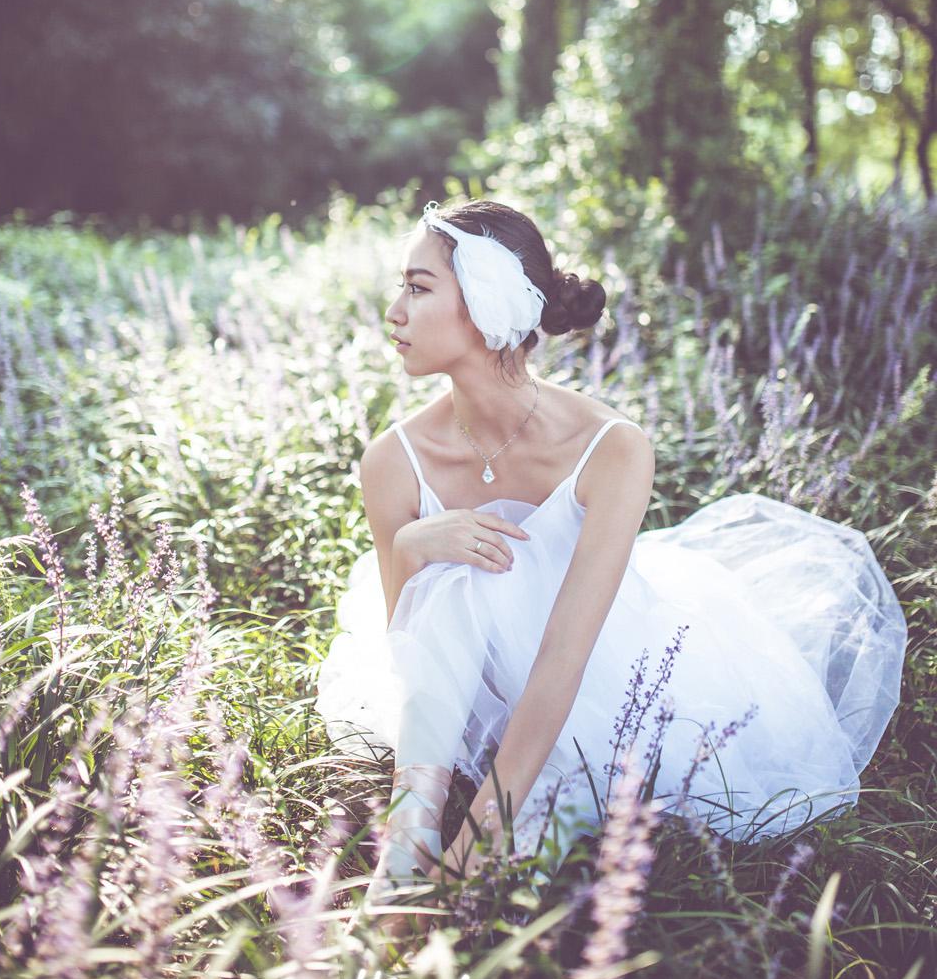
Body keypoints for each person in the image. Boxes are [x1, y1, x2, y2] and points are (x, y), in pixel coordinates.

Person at [314, 197, 908, 917]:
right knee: (459, 581)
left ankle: (485, 885)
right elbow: (407, 639)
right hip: (466, 685)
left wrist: (482, 836)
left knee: (532, 830)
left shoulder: (611, 447)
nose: (394, 312)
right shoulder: (393, 460)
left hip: (610, 678)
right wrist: (412, 545)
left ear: (485, 301)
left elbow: (565, 661)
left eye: (418, 287)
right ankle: (406, 843)